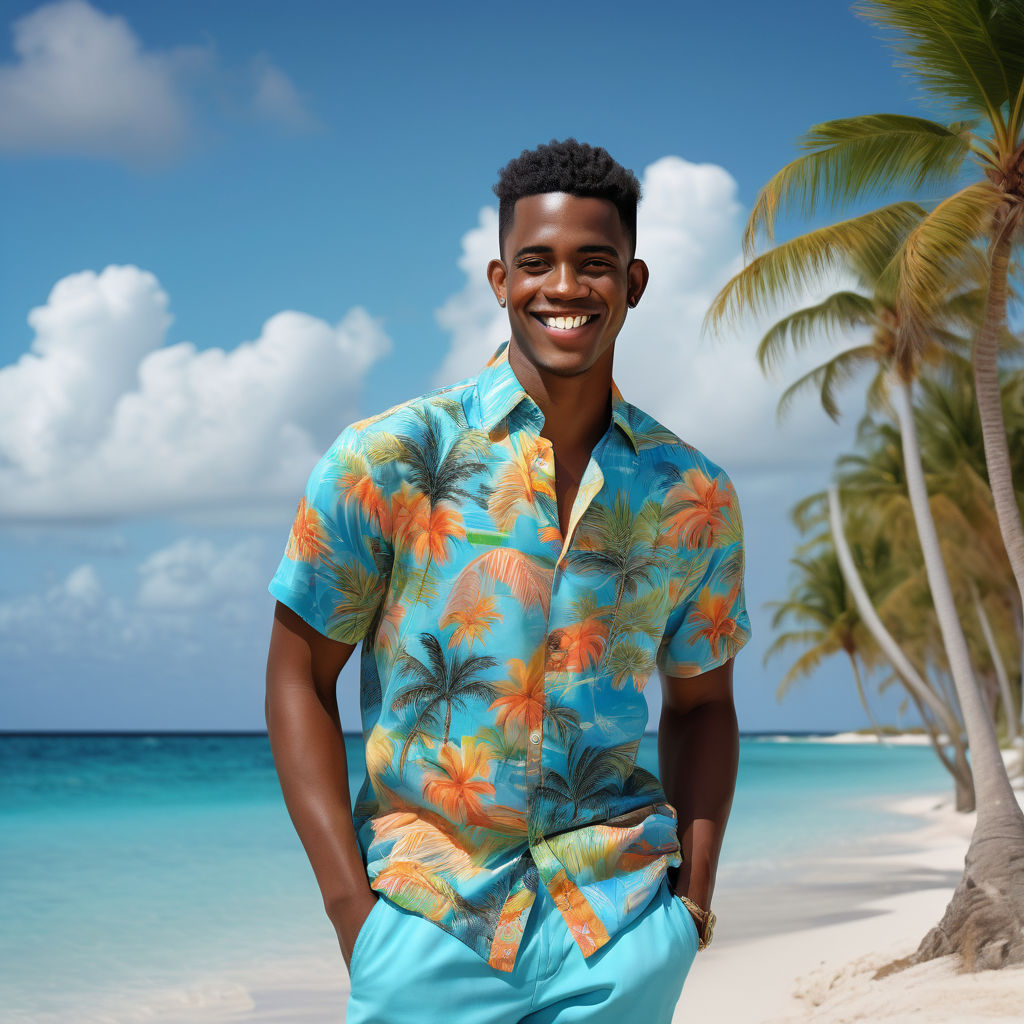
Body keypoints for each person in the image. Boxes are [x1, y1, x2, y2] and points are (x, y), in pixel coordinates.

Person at [264, 138, 751, 1023]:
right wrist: (351, 913)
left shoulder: (694, 493)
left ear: (633, 283)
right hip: (427, 926)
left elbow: (703, 704)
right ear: (499, 280)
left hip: (620, 926)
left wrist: (692, 907)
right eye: (537, 263)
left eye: (594, 264)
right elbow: (299, 678)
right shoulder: (390, 459)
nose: (564, 287)